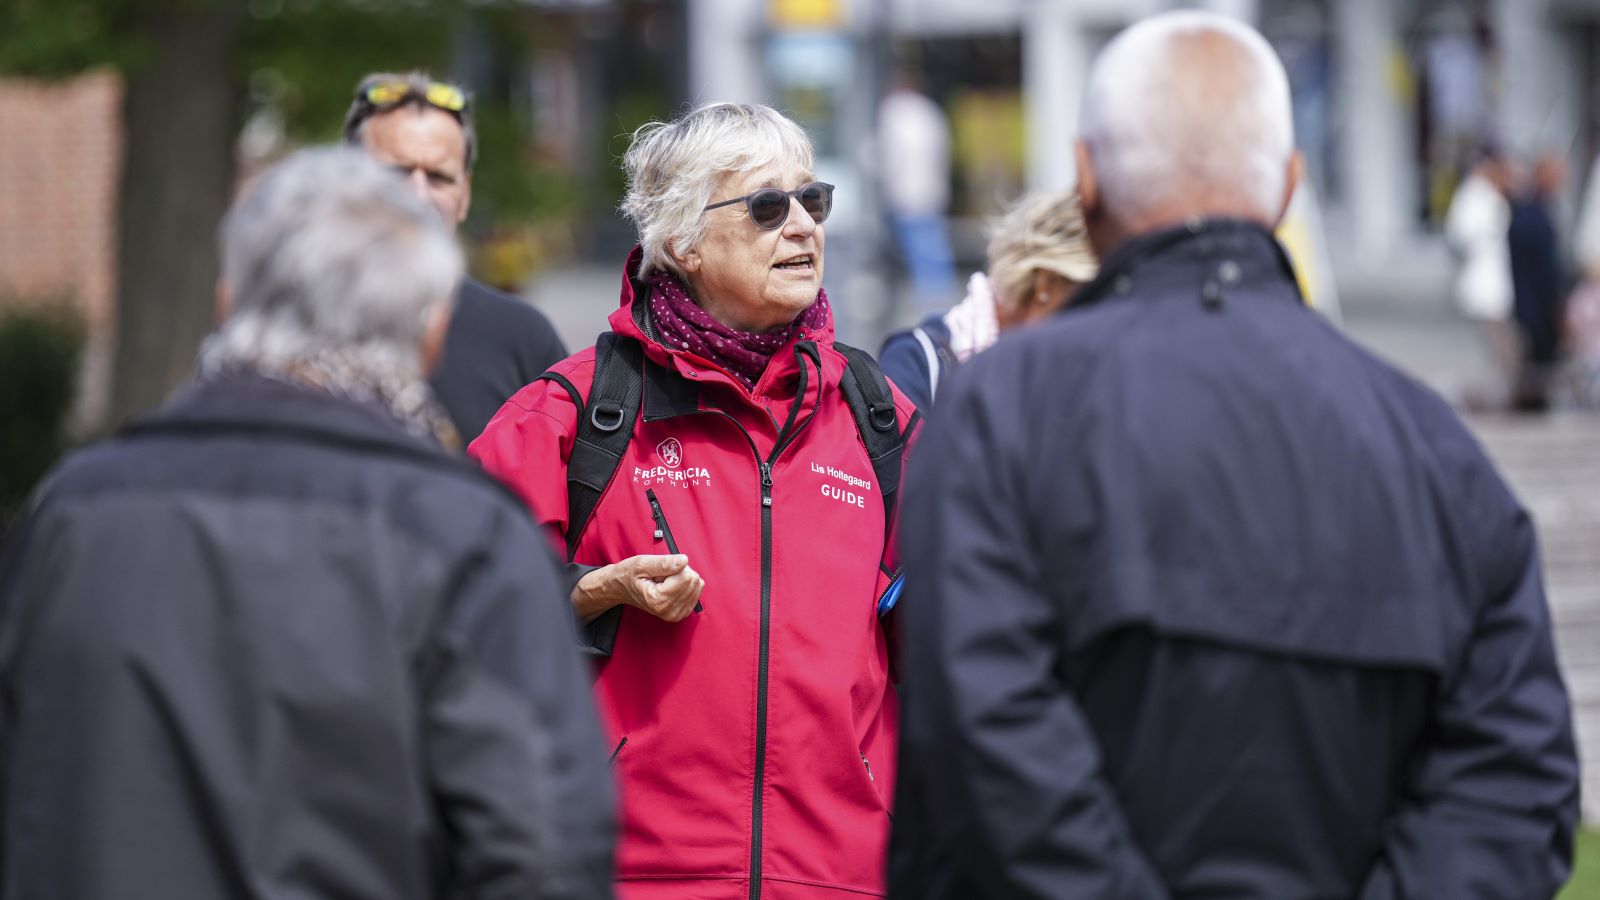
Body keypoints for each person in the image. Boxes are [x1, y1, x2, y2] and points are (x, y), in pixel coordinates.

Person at [890, 12, 1578, 900]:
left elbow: (984, 746)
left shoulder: (1001, 414)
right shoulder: (1432, 445)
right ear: (1290, 188)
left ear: (1087, 178)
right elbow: (1513, 784)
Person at [0, 148, 615, 899]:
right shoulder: (463, 536)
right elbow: (544, 851)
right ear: (433, 332)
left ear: (228, 303)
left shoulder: (73, 511)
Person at [471, 102, 918, 899]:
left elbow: (963, 626)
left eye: (812, 200)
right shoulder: (575, 412)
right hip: (625, 874)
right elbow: (451, 595)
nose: (803, 228)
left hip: (842, 875)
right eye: (767, 206)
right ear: (681, 241)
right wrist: (591, 589)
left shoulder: (879, 417)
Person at [344, 71, 567, 444]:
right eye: (395, 173)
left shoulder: (523, 339)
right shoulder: (291, 327)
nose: (417, 195)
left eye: (438, 177)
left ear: (464, 196)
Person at [878, 188, 1097, 411]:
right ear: (1045, 283)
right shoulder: (917, 363)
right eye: (1088, 301)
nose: (1093, 323)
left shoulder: (1073, 381)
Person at [880, 70, 958, 314]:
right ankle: (940, 299)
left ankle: (930, 303)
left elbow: (892, 157)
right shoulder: (930, 111)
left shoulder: (894, 112)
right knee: (932, 249)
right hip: (930, 191)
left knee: (918, 251)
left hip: (906, 193)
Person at [1445, 149, 1519, 405]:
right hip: (1483, 287)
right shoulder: (1474, 196)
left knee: (1504, 348)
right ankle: (1495, 398)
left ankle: (1499, 396)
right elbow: (1462, 236)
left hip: (1493, 287)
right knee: (1498, 347)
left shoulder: (1488, 196)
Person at [1506, 154, 1568, 411]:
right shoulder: (1532, 212)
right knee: (1536, 361)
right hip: (1535, 302)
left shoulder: (1538, 209)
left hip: (1534, 300)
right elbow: (1542, 267)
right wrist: (1557, 304)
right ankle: (1530, 405)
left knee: (1540, 361)